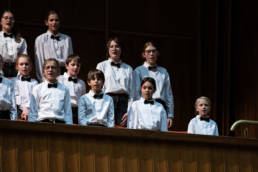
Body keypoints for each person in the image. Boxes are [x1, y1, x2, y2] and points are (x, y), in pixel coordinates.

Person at [134, 41, 174, 128]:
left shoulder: (164, 72)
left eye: (153, 51)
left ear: (157, 53)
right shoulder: (138, 71)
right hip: (144, 105)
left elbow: (168, 94)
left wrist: (170, 115)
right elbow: (136, 92)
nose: (151, 54)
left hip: (160, 106)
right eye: (148, 51)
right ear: (144, 55)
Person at [96, 37, 133, 126]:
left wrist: (129, 111)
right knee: (106, 128)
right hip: (107, 100)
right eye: (111, 46)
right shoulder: (101, 66)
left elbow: (132, 91)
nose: (114, 49)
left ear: (121, 49)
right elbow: (98, 87)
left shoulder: (128, 68)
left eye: (117, 46)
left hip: (123, 102)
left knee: (122, 130)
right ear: (108, 49)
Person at [28, 58, 73, 124]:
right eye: (47, 67)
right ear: (43, 71)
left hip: (60, 124)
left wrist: (69, 127)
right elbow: (33, 111)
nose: (50, 70)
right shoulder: (37, 88)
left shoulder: (65, 89)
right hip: (42, 123)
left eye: (53, 67)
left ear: (58, 71)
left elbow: (68, 112)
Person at [34, 10, 73, 82]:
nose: (54, 23)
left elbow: (70, 61)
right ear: (46, 22)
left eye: (56, 20)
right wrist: (43, 79)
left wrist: (69, 77)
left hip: (64, 74)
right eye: (51, 20)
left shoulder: (67, 39)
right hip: (49, 73)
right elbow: (39, 61)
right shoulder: (40, 39)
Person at [58, 55, 86, 124]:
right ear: (66, 66)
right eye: (73, 65)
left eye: (78, 65)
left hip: (77, 112)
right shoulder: (59, 79)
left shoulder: (81, 83)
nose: (75, 67)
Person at [0, 10, 27, 77]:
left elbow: (24, 58)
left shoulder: (21, 40)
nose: (8, 20)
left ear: (14, 22)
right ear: (1, 21)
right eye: (6, 18)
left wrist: (20, 74)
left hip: (16, 71)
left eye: (11, 18)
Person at [13, 54, 38, 120]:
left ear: (31, 66)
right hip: (18, 112)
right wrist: (24, 110)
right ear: (17, 67)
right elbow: (15, 98)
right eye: (21, 64)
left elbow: (35, 98)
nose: (24, 66)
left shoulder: (35, 82)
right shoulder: (14, 82)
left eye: (27, 64)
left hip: (32, 111)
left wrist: (28, 109)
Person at [0, 54, 17, 120]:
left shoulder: (9, 82)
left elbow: (13, 104)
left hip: (5, 117)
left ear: (2, 64)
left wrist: (13, 122)